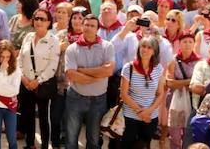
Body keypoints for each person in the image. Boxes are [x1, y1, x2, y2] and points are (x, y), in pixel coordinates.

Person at [64, 14, 115, 149]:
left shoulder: (107, 46)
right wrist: (98, 76)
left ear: (98, 29)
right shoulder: (72, 48)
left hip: (98, 100)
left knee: (93, 140)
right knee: (71, 138)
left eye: (92, 26)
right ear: (82, 26)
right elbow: (71, 75)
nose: (88, 28)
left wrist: (82, 70)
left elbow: (109, 71)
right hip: (75, 98)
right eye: (86, 25)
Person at [18, 8, 59, 149]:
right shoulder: (28, 37)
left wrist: (38, 81)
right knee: (27, 116)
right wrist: (23, 78)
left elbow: (53, 66)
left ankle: (44, 146)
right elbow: (20, 60)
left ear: (48, 22)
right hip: (26, 83)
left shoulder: (54, 40)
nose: (39, 21)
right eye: (36, 18)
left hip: (43, 85)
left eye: (42, 19)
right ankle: (30, 144)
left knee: (43, 119)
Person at [121, 36, 167, 149]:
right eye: (143, 46)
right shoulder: (128, 68)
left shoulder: (158, 68)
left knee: (145, 146)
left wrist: (149, 111)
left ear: (154, 51)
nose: (145, 49)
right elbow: (124, 94)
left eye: (149, 47)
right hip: (130, 116)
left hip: (151, 117)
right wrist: (141, 113)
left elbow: (160, 93)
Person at [0, 40, 22, 149]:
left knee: (12, 138)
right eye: (2, 56)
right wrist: (1, 72)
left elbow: (15, 91)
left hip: (10, 106)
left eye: (8, 57)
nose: (5, 60)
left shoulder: (16, 69)